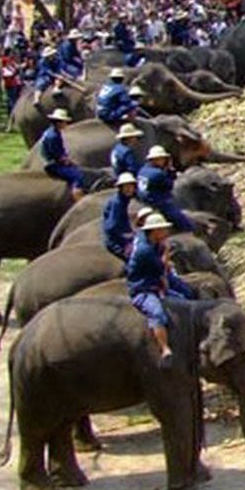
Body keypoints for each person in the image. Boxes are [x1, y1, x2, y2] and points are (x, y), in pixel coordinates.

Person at [127, 213, 195, 369]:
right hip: (143, 291)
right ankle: (164, 348)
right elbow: (161, 267)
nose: (166, 233)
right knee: (157, 313)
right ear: (154, 231)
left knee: (183, 301)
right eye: (163, 230)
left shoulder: (155, 244)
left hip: (157, 287)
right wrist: (165, 255)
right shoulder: (145, 251)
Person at [137, 145, 195, 232]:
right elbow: (170, 185)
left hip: (142, 200)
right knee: (181, 218)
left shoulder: (142, 170)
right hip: (157, 202)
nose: (163, 161)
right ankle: (189, 231)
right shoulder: (158, 173)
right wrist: (170, 171)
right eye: (162, 159)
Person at [39, 108, 85, 198]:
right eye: (65, 122)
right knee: (78, 176)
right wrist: (68, 162)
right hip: (53, 164)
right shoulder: (54, 136)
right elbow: (58, 155)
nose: (66, 124)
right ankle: (78, 197)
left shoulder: (50, 131)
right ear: (59, 122)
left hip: (49, 160)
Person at [101, 172, 138, 259]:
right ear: (121, 188)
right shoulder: (117, 203)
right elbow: (111, 227)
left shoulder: (127, 199)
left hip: (126, 235)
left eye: (130, 186)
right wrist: (127, 235)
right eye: (126, 187)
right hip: (116, 241)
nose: (128, 189)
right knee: (135, 258)